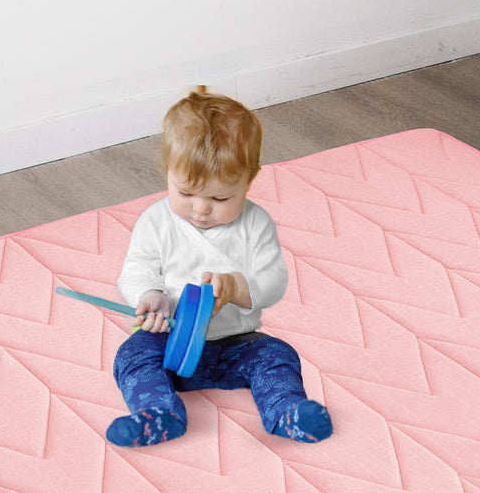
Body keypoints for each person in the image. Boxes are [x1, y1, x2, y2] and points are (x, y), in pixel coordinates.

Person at [106, 87, 332, 447]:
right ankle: (159, 413)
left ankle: (287, 412)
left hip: (235, 347)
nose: (200, 209)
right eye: (185, 192)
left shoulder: (255, 223)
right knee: (131, 354)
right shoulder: (155, 221)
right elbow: (136, 269)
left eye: (220, 197)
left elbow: (273, 281)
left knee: (278, 355)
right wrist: (150, 295)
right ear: (167, 172)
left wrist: (238, 287)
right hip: (171, 344)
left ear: (250, 179)